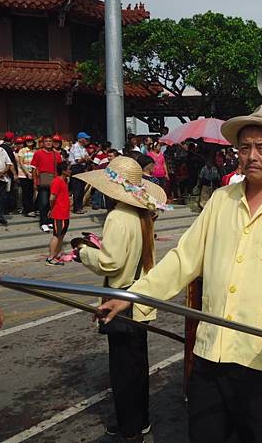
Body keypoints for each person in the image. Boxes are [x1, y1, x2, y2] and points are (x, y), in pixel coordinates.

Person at [98, 105, 262, 443]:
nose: (251, 156)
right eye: (244, 147)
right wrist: (131, 296)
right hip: (210, 354)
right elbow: (183, 260)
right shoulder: (220, 200)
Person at [75, 156, 169, 443]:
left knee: (123, 370)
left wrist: (83, 252)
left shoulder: (118, 216)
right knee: (137, 365)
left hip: (121, 300)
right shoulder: (142, 215)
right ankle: (139, 420)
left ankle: (129, 425)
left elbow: (111, 264)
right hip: (140, 298)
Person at [31, 136, 63, 232]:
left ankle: (50, 221)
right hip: (43, 180)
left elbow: (61, 169)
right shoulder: (38, 153)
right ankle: (43, 222)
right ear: (43, 143)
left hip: (55, 181)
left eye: (50, 141)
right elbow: (33, 169)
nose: (48, 143)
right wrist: (35, 182)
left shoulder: (56, 154)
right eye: (46, 141)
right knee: (44, 202)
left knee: (52, 203)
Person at [46, 162, 71, 266]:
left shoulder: (65, 180)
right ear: (64, 171)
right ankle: (50, 258)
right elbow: (52, 197)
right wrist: (52, 208)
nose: (70, 171)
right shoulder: (57, 181)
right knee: (56, 235)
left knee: (61, 235)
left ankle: (57, 254)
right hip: (59, 213)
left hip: (65, 212)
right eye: (69, 169)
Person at [69, 132, 91, 214]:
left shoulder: (83, 148)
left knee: (81, 189)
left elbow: (87, 158)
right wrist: (85, 159)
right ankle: (76, 208)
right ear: (80, 139)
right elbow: (79, 160)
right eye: (85, 139)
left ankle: (80, 207)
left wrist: (85, 159)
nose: (87, 140)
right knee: (77, 189)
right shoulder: (75, 147)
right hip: (76, 168)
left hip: (82, 168)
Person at [18, 136, 36, 217]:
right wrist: (27, 173)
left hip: (33, 174)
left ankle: (32, 209)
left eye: (31, 140)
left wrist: (33, 173)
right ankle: (27, 210)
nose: (29, 142)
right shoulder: (22, 150)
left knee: (32, 192)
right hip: (23, 175)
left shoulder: (35, 151)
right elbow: (21, 163)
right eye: (27, 141)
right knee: (26, 193)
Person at [0, 142, 15, 226]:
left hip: (2, 178)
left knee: (1, 198)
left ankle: (0, 216)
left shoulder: (2, 150)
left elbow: (9, 163)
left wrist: (4, 171)